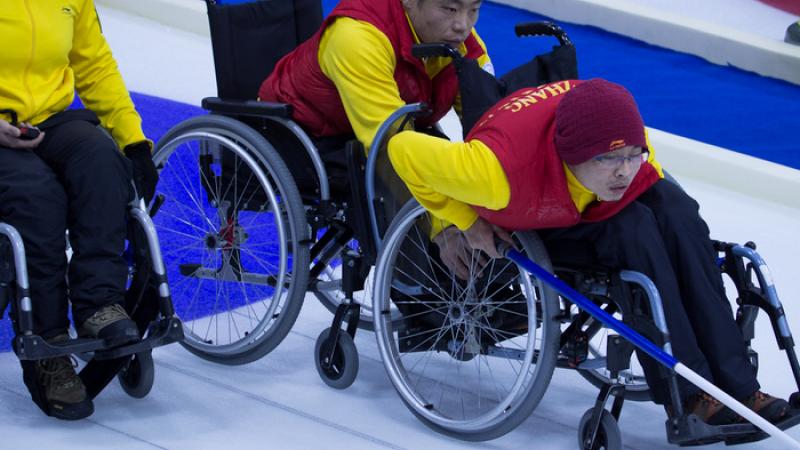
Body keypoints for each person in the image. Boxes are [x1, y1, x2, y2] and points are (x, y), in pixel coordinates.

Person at [387, 78, 795, 425]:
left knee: (680, 214)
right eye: (610, 160)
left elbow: (625, 157)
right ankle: (692, 397)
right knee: (636, 233)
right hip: (535, 198)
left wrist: (622, 159)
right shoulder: (491, 173)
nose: (623, 170)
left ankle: (742, 388)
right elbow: (402, 149)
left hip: (584, 183)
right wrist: (463, 220)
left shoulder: (627, 141)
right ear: (573, 154)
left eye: (632, 157)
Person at [0, 1, 158, 420]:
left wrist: (133, 141)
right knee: (37, 198)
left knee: (104, 165)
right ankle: (48, 349)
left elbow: (94, 65)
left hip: (47, 119)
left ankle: (99, 305)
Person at [258, 0, 491, 150]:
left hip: (384, 124)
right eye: (450, 9)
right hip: (303, 132)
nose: (463, 25)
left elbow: (488, 122)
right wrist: (454, 221)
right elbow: (392, 143)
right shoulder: (357, 37)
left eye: (474, 9)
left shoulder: (462, 43)